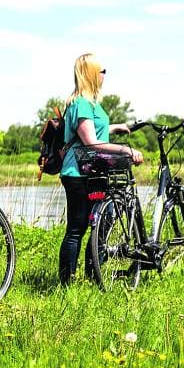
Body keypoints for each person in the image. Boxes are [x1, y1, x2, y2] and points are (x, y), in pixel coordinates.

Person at [59, 52, 143, 285]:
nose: (105, 75)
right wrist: (125, 151)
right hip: (78, 173)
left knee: (101, 220)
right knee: (77, 228)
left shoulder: (89, 103)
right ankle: (66, 284)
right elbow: (91, 143)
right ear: (92, 74)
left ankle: (92, 273)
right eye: (102, 71)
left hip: (92, 171)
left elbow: (94, 130)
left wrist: (117, 127)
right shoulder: (81, 103)